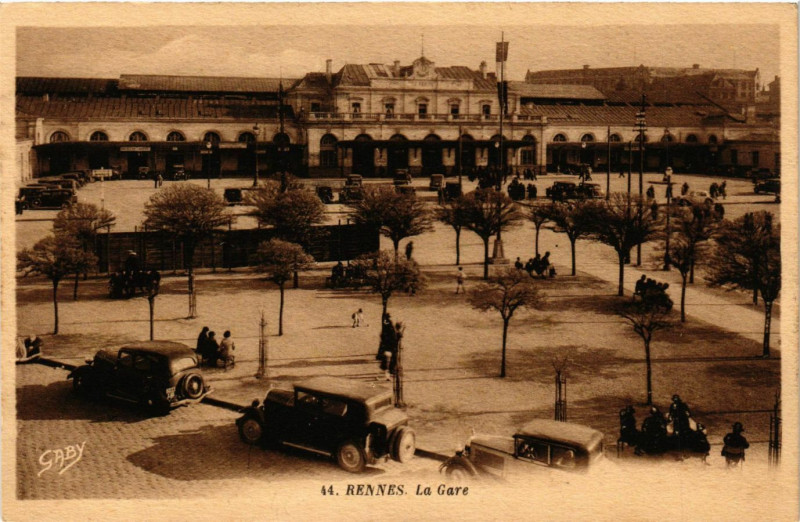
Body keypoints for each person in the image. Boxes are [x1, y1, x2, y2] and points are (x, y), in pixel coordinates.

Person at [378, 314, 397, 381]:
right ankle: (387, 375)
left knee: (386, 363)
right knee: (387, 363)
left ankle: (386, 375)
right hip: (389, 347)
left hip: (386, 347)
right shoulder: (389, 325)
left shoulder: (386, 324)